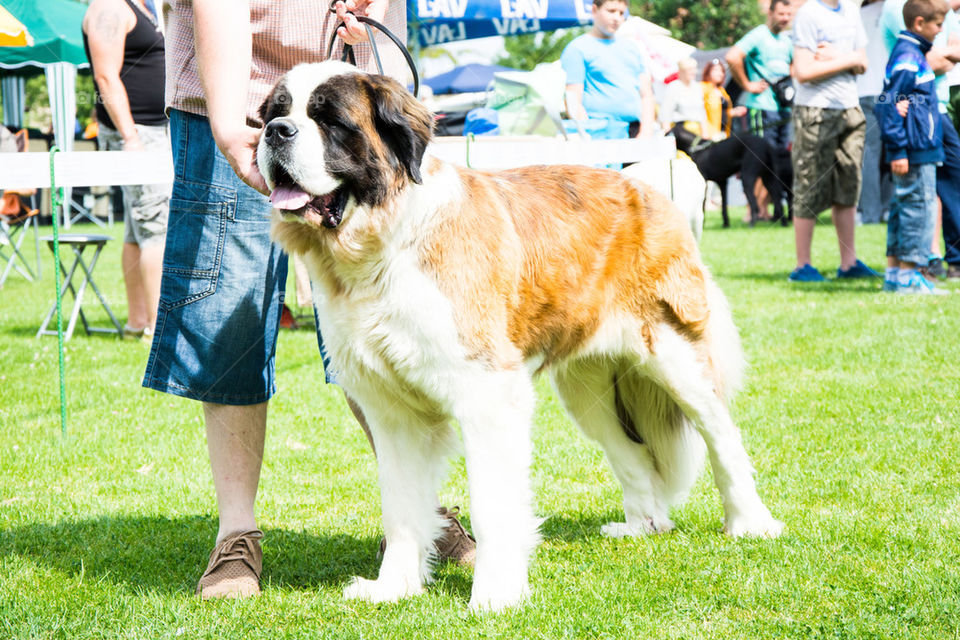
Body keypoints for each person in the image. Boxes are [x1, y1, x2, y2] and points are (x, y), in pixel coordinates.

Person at [141, 0, 473, 601]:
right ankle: (236, 532)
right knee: (229, 318)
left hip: (356, 101)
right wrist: (228, 120)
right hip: (236, 102)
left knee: (382, 323)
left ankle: (417, 515)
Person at [82, 0, 170, 341]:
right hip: (138, 134)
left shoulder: (142, 6)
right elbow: (105, 76)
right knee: (155, 228)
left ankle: (138, 322)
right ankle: (158, 329)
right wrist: (130, 137)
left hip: (153, 131)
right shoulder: (108, 7)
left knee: (137, 230)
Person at [788, 0, 879, 282]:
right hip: (815, 110)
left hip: (850, 109)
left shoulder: (851, 10)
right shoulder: (808, 14)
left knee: (848, 186)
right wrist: (848, 60)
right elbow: (803, 72)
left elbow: (863, 63)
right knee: (809, 186)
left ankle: (848, 263)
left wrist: (836, 57)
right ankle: (802, 266)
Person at [882, 0, 960, 280]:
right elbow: (888, 101)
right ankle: (909, 276)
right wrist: (898, 149)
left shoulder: (915, 53)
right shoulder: (908, 57)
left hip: (920, 145)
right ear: (919, 23)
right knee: (919, 210)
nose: (941, 31)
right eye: (938, 25)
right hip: (915, 148)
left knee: (903, 209)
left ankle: (894, 274)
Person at [560, 0, 656, 138]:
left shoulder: (632, 48)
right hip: (598, 132)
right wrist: (587, 135)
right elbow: (573, 100)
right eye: (611, 11)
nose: (617, 18)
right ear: (594, 10)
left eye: (621, 13)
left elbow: (646, 94)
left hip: (636, 131)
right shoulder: (577, 48)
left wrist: (646, 132)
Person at [726, 0, 795, 148]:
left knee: (780, 159)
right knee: (763, 158)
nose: (785, 18)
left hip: (783, 109)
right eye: (781, 14)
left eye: (788, 14)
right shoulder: (759, 34)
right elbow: (732, 56)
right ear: (770, 13)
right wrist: (747, 84)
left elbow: (794, 67)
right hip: (761, 107)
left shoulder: (787, 41)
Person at [858, 0, 895, 225]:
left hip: (863, 90)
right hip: (892, 90)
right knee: (894, 150)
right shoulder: (899, 8)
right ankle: (889, 209)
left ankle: (870, 215)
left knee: (868, 156)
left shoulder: (857, 14)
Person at [659, 57, 709, 136]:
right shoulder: (673, 87)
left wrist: (705, 135)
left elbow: (702, 113)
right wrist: (668, 136)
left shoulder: (697, 87)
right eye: (689, 69)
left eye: (694, 69)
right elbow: (665, 114)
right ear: (681, 71)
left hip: (698, 133)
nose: (693, 72)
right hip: (681, 133)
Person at [701, 58, 747, 140]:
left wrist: (734, 112)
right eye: (716, 70)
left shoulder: (722, 91)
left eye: (721, 71)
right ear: (708, 72)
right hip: (709, 134)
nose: (719, 73)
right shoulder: (702, 88)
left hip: (723, 133)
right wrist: (705, 132)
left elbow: (722, 111)